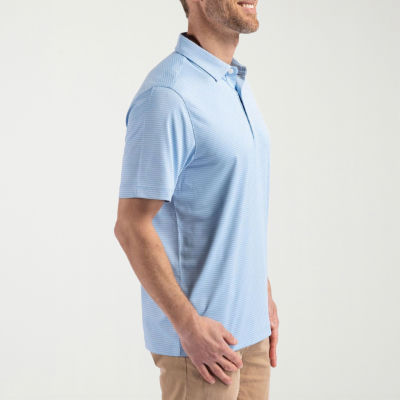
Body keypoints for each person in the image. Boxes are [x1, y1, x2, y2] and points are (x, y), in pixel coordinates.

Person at [114, 0, 279, 397]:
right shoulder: (168, 94)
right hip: (201, 348)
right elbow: (131, 226)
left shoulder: (233, 83)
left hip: (251, 332)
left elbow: (232, 204)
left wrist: (261, 293)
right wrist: (188, 326)